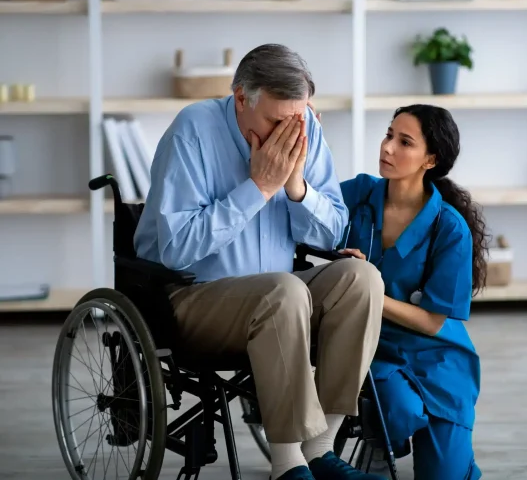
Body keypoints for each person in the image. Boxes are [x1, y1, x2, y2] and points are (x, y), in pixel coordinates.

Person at [134, 43, 387, 480]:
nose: (289, 131)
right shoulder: (192, 130)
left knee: (361, 279)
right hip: (192, 300)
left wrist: (297, 187)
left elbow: (332, 234)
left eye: (298, 117)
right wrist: (258, 187)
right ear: (240, 98)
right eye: (275, 120)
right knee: (284, 289)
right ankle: (287, 466)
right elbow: (174, 250)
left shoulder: (304, 127)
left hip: (280, 300)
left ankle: (321, 450)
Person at [338, 104, 488, 480]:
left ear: (430, 160)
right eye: (389, 135)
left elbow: (434, 319)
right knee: (398, 409)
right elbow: (306, 211)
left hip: (438, 358)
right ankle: (381, 439)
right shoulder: (358, 195)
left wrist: (364, 283)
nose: (387, 148)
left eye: (404, 142)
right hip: (372, 346)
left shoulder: (449, 229)